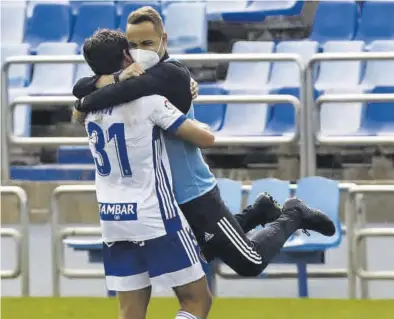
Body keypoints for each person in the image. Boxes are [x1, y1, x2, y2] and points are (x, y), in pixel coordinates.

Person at [73, 7, 335, 281]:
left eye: (147, 43)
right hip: (166, 197)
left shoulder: (169, 73)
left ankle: (292, 212)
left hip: (193, 191)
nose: (140, 51)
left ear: (164, 39)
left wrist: (85, 103)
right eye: (134, 45)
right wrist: (103, 83)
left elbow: (105, 92)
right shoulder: (140, 76)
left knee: (250, 262)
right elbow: (83, 84)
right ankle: (260, 211)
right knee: (200, 255)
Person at [82, 29, 220, 319]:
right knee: (196, 298)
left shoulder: (89, 108)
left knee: (129, 312)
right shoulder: (148, 101)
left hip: (112, 215)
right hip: (154, 214)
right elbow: (204, 138)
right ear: (127, 56)